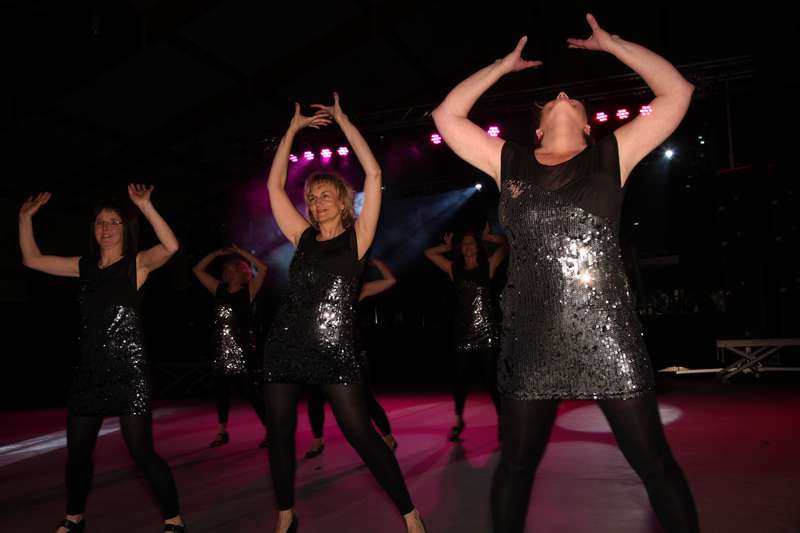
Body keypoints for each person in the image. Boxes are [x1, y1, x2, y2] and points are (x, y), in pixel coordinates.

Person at [432, 14, 699, 533]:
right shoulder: (508, 160)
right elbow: (447, 115)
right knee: (516, 465)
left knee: (654, 462)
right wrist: (500, 67)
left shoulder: (612, 154)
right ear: (536, 128)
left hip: (607, 335)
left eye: (573, 99)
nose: (560, 94)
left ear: (588, 124)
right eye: (552, 97)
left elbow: (676, 92)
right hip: (531, 337)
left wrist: (615, 44)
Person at [263, 93, 426, 533]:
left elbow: (374, 173)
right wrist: (292, 130)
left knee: (361, 435)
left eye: (325, 195)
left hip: (335, 350)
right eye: (311, 196)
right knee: (279, 433)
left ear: (342, 202)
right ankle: (285, 516)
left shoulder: (358, 238)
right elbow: (274, 188)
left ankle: (411, 516)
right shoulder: (302, 237)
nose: (316, 202)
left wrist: (344, 121)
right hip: (286, 344)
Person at [19, 185, 187, 532]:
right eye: (100, 222)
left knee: (141, 452)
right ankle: (74, 518)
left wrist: (146, 206)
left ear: (125, 228)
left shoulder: (136, 265)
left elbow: (171, 247)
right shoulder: (84, 267)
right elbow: (32, 260)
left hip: (129, 371)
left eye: (114, 222)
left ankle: (174, 520)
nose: (106, 228)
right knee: (78, 454)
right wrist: (24, 218)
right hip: (90, 372)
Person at [304, 257, 400, 459]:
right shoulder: (316, 292)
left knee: (364, 399)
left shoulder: (357, 290)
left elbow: (390, 280)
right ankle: (318, 440)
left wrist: (376, 262)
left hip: (351, 354)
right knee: (315, 399)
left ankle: (388, 437)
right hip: (323, 355)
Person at [424, 225, 507, 441]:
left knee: (491, 378)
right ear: (461, 249)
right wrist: (445, 247)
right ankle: (459, 421)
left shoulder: (488, 265)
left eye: (471, 243)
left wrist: (489, 237)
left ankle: (502, 419)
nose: (468, 246)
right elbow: (429, 253)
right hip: (463, 332)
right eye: (464, 244)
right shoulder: (454, 269)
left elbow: (506, 245)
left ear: (477, 247)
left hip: (486, 330)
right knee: (460, 379)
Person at [193, 244, 269, 448]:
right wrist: (216, 253)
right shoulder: (218, 289)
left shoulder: (249, 291)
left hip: (243, 349)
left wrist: (241, 252)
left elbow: (263, 268)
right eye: (229, 269)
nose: (232, 272)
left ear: (244, 273)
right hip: (221, 348)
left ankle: (270, 429)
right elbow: (197, 270)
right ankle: (221, 432)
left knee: (251, 392)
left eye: (237, 269)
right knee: (221, 391)